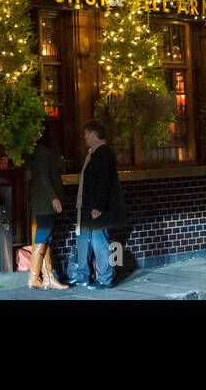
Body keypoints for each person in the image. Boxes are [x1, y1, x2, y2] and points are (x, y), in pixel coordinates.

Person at [69, 120, 125, 290]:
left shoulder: (102, 154)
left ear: (93, 134)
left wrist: (98, 207)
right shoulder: (95, 153)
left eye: (86, 134)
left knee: (100, 242)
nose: (84, 137)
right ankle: (86, 276)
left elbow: (103, 183)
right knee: (87, 240)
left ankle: (105, 278)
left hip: (96, 208)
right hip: (90, 207)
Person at [24, 122, 68, 290]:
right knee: (42, 237)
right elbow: (43, 177)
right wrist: (54, 199)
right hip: (45, 202)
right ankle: (34, 277)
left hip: (43, 201)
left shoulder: (38, 152)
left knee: (45, 239)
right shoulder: (43, 152)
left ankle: (47, 278)